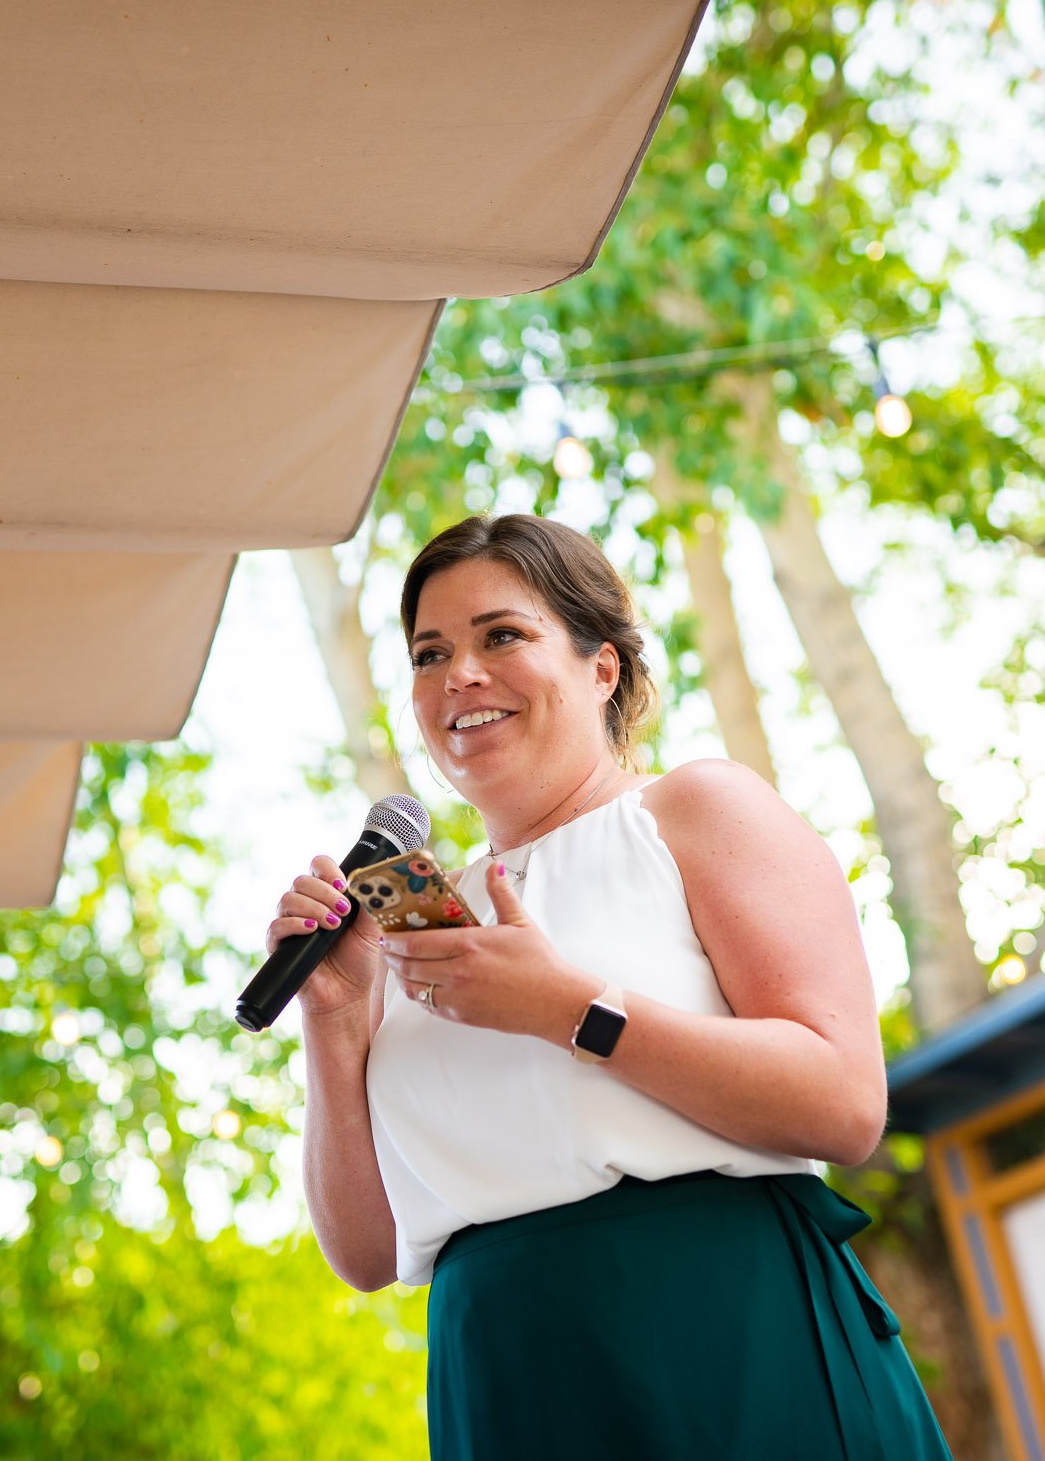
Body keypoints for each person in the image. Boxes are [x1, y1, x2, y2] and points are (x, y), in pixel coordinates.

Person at [268, 513, 951, 1460]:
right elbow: (368, 1253)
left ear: (602, 667)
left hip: (720, 1339)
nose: (458, 672)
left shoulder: (692, 811)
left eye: (500, 634)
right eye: (430, 652)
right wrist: (336, 1023)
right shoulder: (418, 921)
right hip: (504, 1380)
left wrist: (570, 1010)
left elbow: (843, 1102)